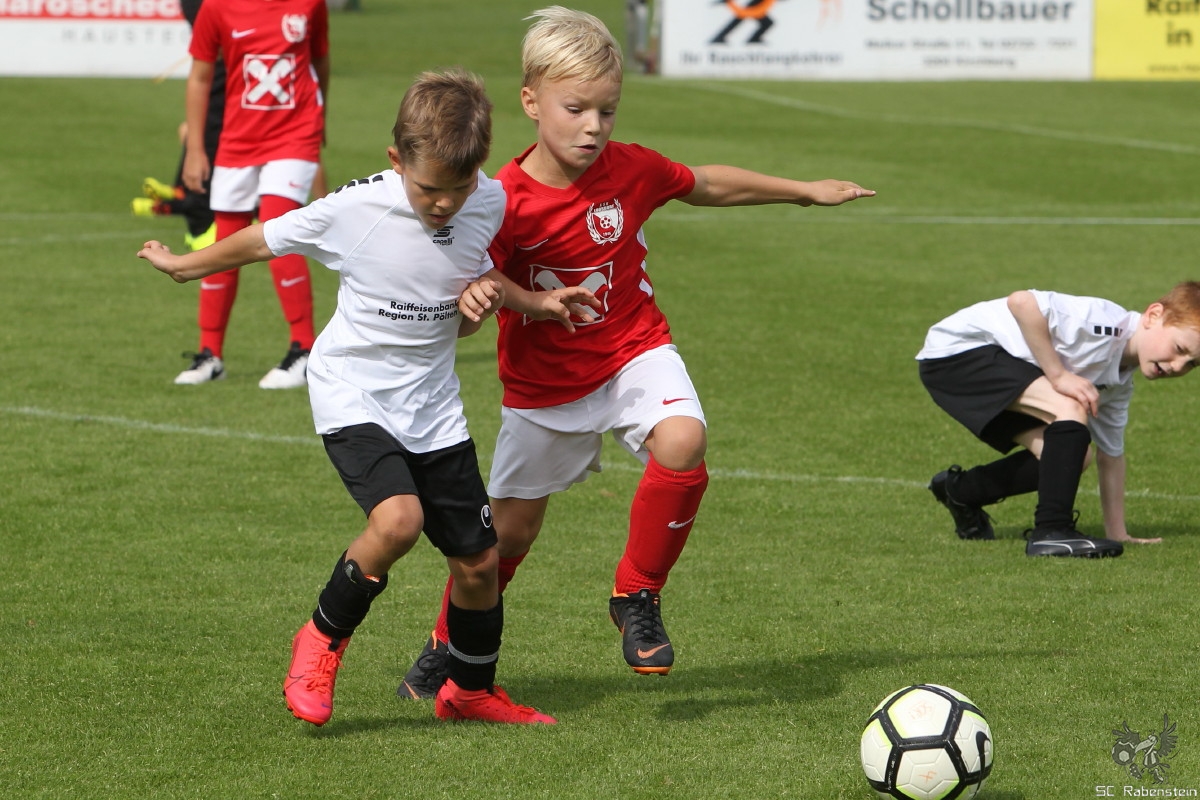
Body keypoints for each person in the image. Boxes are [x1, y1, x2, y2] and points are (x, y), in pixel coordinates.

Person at [396, 6, 875, 699]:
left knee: (683, 439)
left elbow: (703, 183)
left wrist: (802, 192)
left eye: (608, 110)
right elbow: (473, 300)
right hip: (545, 386)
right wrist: (477, 302)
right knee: (506, 541)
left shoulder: (630, 169)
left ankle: (636, 594)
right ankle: (448, 642)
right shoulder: (500, 202)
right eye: (576, 109)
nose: (594, 126)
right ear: (530, 101)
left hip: (633, 350)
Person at [140, 69, 599, 726]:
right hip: (353, 390)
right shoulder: (356, 208)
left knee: (478, 562)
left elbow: (477, 276)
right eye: (429, 189)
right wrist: (183, 266)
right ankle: (318, 642)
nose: (444, 203)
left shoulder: (488, 201)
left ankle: (470, 692)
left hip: (432, 404)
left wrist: (525, 301)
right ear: (396, 160)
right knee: (398, 522)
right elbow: (267, 237)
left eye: (458, 188)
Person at [917, 283, 1200, 557]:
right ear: (1153, 315)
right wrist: (1058, 374)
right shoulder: (1102, 324)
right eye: (1179, 348)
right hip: (957, 353)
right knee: (1070, 406)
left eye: (1192, 364)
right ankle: (1052, 531)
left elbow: (1111, 456)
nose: (1178, 366)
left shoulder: (1118, 383)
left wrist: (1117, 533)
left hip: (980, 368)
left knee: (1074, 456)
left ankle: (961, 491)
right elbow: (1022, 302)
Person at [173, 0, 330, 389]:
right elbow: (200, 77)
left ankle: (304, 350)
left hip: (295, 134)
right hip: (238, 139)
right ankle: (210, 354)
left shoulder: (310, 3)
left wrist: (320, 119)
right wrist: (195, 150)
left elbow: (320, 61)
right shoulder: (215, 7)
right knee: (224, 243)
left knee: (278, 230)